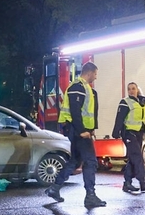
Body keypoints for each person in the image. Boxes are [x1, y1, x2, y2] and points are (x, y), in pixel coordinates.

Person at [45, 62, 106, 207]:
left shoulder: (84, 88)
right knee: (91, 162)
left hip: (80, 130)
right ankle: (90, 196)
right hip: (79, 131)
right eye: (95, 74)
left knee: (74, 161)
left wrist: (91, 130)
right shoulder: (77, 87)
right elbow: (75, 111)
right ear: (89, 72)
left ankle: (54, 188)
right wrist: (82, 131)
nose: (96, 77)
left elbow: (88, 113)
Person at [112, 82, 145, 194]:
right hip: (128, 133)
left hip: (139, 134)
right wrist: (116, 132)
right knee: (137, 157)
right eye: (129, 89)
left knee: (133, 159)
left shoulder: (144, 103)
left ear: (137, 90)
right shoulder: (125, 102)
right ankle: (142, 183)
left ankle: (127, 183)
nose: (131, 91)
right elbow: (119, 118)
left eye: (133, 88)